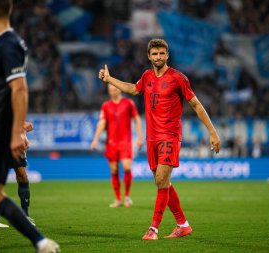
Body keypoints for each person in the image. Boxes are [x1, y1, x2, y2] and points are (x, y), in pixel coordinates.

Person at [98, 38, 221, 240]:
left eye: (162, 53)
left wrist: (212, 132)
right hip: (152, 138)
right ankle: (183, 225)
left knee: (162, 180)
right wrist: (110, 79)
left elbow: (196, 105)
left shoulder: (178, 78)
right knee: (161, 182)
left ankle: (153, 229)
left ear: (167, 55)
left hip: (170, 136)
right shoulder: (146, 77)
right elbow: (132, 89)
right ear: (149, 56)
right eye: (154, 54)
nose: (158, 57)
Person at [0, 0, 60, 252]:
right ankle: (40, 242)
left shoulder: (10, 45)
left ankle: (39, 241)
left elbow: (20, 88)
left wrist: (17, 132)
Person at [91, 85, 143, 208]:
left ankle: (127, 196)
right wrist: (95, 139)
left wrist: (140, 137)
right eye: (110, 91)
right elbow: (102, 122)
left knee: (126, 167)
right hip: (111, 143)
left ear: (119, 89)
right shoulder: (106, 105)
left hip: (125, 142)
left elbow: (137, 119)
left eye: (114, 90)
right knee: (114, 170)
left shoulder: (128, 103)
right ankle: (117, 199)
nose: (113, 92)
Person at [0, 121, 35, 228]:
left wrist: (23, 133)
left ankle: (25, 215)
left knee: (23, 177)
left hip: (16, 147)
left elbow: (27, 125)